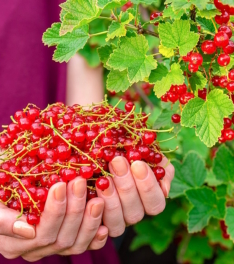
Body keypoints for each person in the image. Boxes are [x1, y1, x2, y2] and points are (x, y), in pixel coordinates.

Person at [0, 0, 174, 263]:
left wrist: (102, 161)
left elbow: (83, 118)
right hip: (23, 185)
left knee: (77, 204)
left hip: (49, 199)